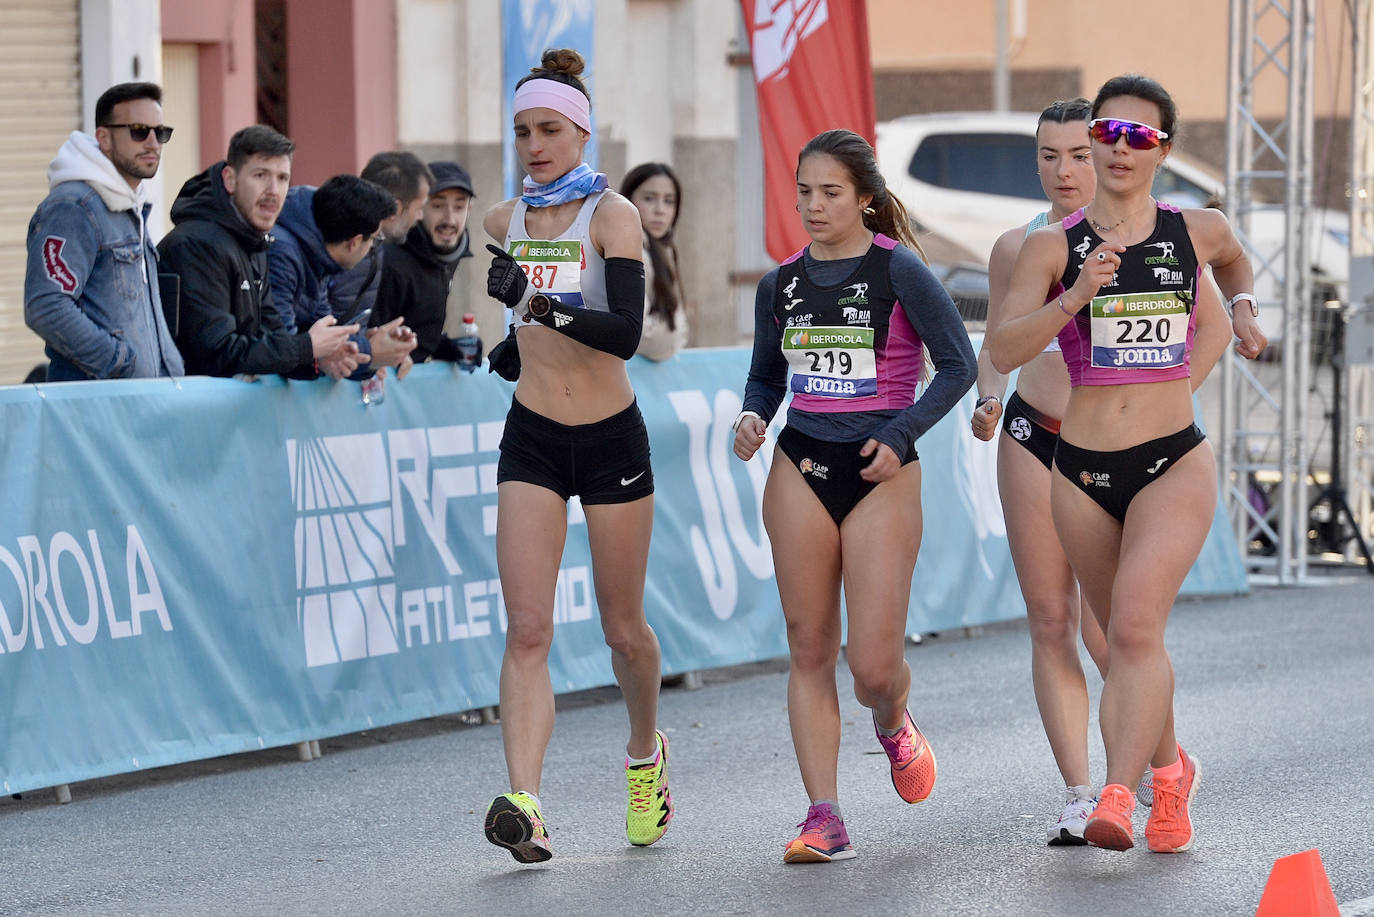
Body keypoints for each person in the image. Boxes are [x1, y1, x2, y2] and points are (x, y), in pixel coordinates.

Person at [987, 74, 1268, 854]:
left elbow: (1238, 262)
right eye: (1108, 132)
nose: (1118, 148)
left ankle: (1118, 791)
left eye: (1138, 137)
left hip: (1173, 460)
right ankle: (1170, 772)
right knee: (1117, 636)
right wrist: (1073, 296)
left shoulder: (1196, 229)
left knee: (1136, 625)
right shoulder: (1051, 246)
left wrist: (1242, 309)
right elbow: (1002, 349)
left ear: (1163, 151)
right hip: (1079, 471)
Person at [733, 129, 977, 863]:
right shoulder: (781, 282)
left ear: (865, 197)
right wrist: (752, 415)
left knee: (872, 665)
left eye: (830, 192)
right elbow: (767, 376)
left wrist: (902, 435)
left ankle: (894, 720)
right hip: (801, 461)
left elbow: (958, 365)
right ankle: (824, 814)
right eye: (804, 191)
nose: (813, 205)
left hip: (882, 469)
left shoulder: (898, 269)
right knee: (809, 647)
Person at [478, 48, 670, 864]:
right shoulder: (503, 221)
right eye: (523, 131)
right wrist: (508, 346)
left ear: (582, 130)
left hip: (609, 439)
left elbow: (623, 332)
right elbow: (523, 332)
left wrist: (534, 306)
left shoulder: (612, 216)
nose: (534, 145)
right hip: (531, 438)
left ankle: (643, 754)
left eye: (549, 129)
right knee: (527, 629)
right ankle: (527, 801)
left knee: (622, 630)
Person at [156, 125, 360, 378]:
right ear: (230, 180)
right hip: (191, 413)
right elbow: (218, 354)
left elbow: (271, 335)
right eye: (261, 175)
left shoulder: (253, 240)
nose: (273, 191)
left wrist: (318, 360)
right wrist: (306, 347)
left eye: (283, 178)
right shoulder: (198, 245)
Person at [24, 82, 183, 381]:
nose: (152, 143)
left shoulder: (130, 207)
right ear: (104, 138)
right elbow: (46, 306)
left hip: (144, 405)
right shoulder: (74, 207)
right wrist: (120, 364)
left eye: (160, 132)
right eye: (139, 130)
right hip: (100, 409)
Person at [268, 175, 412, 379]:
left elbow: (325, 334)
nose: (373, 248)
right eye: (374, 240)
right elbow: (281, 352)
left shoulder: (319, 254)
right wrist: (369, 350)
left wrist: (365, 345)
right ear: (354, 242)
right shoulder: (284, 255)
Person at [374, 160, 477, 363]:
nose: (449, 219)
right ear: (419, 208)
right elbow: (369, 336)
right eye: (437, 206)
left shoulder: (445, 254)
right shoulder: (391, 262)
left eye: (459, 207)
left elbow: (417, 326)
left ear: (469, 210)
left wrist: (442, 347)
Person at [329, 152, 433, 325]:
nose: (420, 216)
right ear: (396, 209)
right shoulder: (355, 250)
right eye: (419, 207)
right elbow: (338, 334)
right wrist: (371, 347)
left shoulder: (371, 246)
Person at [620, 163, 688, 360]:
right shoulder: (629, 250)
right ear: (628, 200)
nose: (660, 210)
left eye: (669, 201)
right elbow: (637, 333)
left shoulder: (664, 249)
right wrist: (673, 336)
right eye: (649, 198)